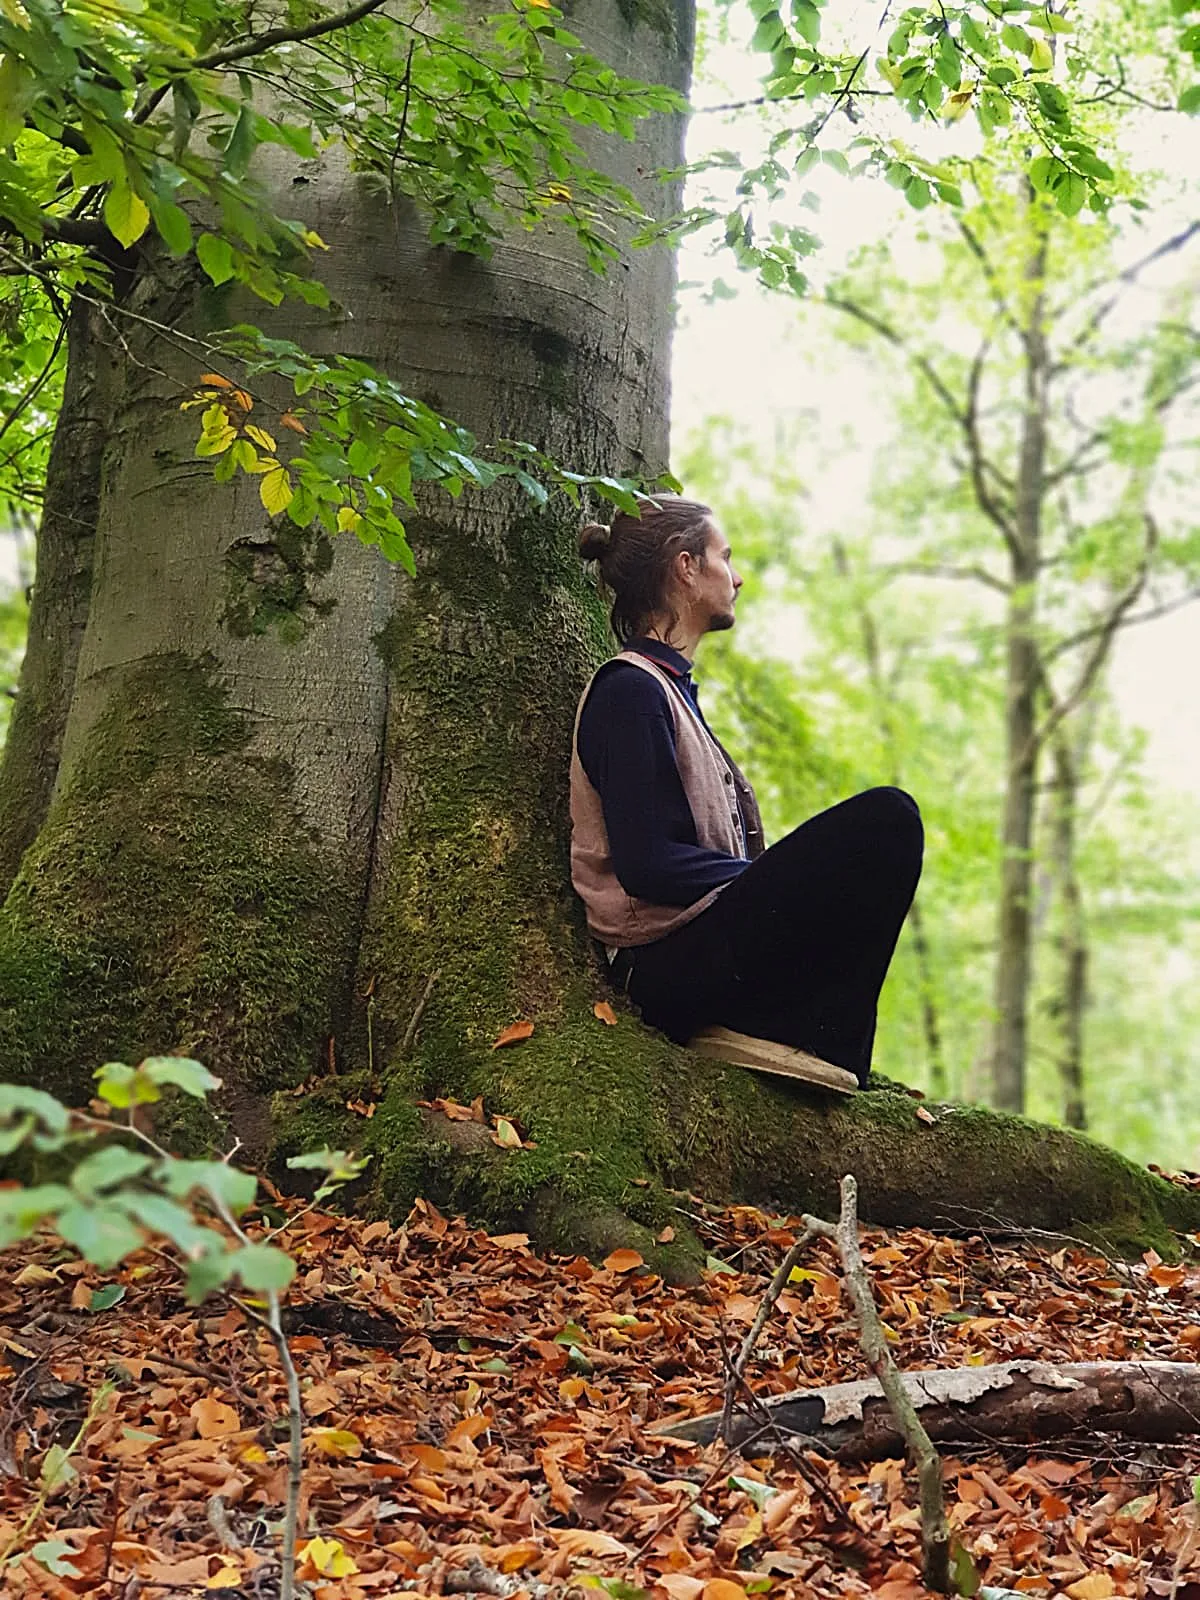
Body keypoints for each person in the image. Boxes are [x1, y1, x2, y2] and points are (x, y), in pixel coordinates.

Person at [569, 494, 923, 1092]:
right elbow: (647, 864)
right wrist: (767, 878)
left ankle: (806, 1038)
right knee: (887, 820)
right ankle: (799, 1032)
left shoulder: (671, 691)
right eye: (723, 557)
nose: (737, 576)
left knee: (875, 845)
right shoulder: (629, 691)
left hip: (698, 950)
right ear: (685, 568)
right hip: (662, 968)